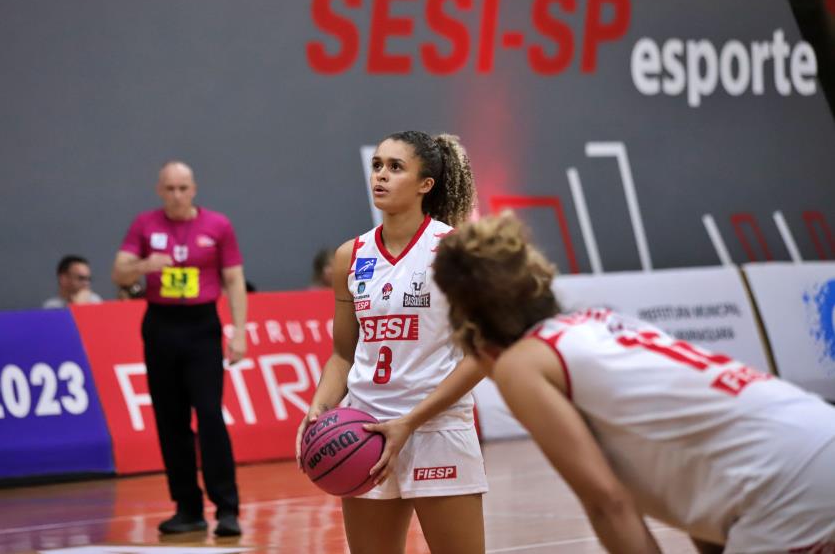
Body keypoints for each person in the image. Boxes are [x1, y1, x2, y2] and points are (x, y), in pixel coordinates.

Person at [432, 212, 835, 554]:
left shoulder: (522, 365)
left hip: (787, 486)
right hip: (814, 432)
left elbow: (608, 503)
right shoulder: (595, 324)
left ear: (462, 308)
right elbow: (700, 496)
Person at [295, 131, 487, 554]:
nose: (380, 175)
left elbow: (485, 354)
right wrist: (321, 408)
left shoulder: (454, 251)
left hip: (436, 429)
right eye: (377, 165)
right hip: (363, 432)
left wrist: (411, 420)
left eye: (395, 167)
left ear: (426, 185)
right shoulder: (351, 255)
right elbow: (343, 354)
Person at [111, 161, 247, 537]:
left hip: (202, 327)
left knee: (209, 416)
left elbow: (234, 279)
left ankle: (227, 508)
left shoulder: (218, 226)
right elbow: (119, 272)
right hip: (161, 327)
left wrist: (239, 333)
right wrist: (143, 265)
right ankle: (187, 507)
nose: (176, 195)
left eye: (182, 188)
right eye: (169, 189)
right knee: (171, 422)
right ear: (159, 190)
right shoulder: (145, 225)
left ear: (194, 189)